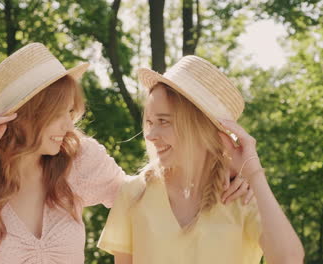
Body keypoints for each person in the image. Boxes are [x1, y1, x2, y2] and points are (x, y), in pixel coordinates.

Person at [0, 44, 251, 264]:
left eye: (71, 111)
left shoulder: (79, 160)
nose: (69, 124)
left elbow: (144, 196)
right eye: (59, 113)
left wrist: (225, 171)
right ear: (23, 117)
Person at [97, 55, 305, 264]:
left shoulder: (244, 198)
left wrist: (254, 173)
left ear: (202, 128)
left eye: (164, 121)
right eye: (150, 122)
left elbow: (289, 259)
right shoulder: (133, 194)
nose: (151, 135)